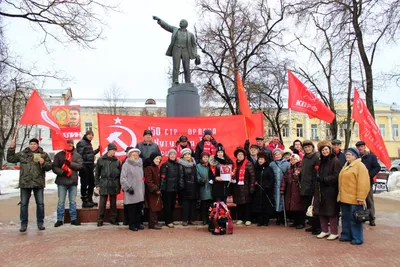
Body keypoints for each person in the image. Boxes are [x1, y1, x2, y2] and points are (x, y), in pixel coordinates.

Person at [7, 138, 52, 232]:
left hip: (38, 183)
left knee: (40, 204)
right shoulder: (23, 154)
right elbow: (10, 159)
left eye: (35, 144)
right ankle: (23, 224)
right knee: (23, 204)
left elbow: (49, 167)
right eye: (31, 144)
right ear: (29, 145)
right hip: (25, 183)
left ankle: (40, 223)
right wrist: (11, 147)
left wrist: (43, 163)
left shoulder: (43, 154)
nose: (33, 146)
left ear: (37, 145)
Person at [152, 16, 200, 84]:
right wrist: (160, 20)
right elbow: (167, 26)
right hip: (176, 49)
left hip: (186, 51)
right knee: (176, 66)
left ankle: (188, 82)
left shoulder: (190, 35)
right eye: (180, 21)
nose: (180, 22)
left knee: (186, 68)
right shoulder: (175, 29)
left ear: (186, 24)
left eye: (182, 21)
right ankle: (175, 80)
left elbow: (194, 45)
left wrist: (195, 54)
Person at [338, 147, 370, 245]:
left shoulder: (360, 166)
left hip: (355, 198)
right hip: (345, 197)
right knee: (345, 217)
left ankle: (357, 238)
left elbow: (364, 183)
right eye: (346, 154)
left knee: (355, 219)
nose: (347, 155)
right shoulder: (346, 165)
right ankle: (346, 235)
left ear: (355, 156)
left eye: (349, 154)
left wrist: (361, 197)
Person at [313, 141, 342, 240]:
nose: (325, 151)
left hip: (331, 190)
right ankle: (324, 230)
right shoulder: (320, 161)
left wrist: (324, 179)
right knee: (321, 211)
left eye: (326, 149)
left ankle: (334, 231)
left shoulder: (335, 161)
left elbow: (336, 175)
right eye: (322, 150)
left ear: (330, 150)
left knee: (331, 211)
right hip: (321, 189)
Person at [52, 140, 83, 227]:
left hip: (72, 181)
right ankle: (59, 219)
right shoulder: (59, 155)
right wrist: (62, 172)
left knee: (72, 202)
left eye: (71, 143)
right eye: (68, 143)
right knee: (61, 202)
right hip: (62, 181)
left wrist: (70, 164)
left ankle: (73, 219)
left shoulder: (77, 155)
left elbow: (80, 166)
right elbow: (54, 167)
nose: (70, 145)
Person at [95, 143, 121, 227]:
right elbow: (96, 174)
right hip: (104, 183)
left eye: (115, 151)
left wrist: (119, 185)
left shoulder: (117, 161)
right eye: (113, 150)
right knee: (102, 203)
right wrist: (97, 184)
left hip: (114, 184)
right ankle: (100, 220)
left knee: (113, 203)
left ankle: (113, 219)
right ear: (109, 150)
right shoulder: (100, 159)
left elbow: (120, 174)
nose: (114, 152)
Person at [356, 141, 380, 226]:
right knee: (358, 200)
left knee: (369, 200)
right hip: (357, 182)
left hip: (367, 182)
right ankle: (360, 216)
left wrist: (369, 175)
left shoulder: (371, 157)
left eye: (361, 146)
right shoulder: (356, 157)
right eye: (358, 147)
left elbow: (377, 167)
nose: (360, 148)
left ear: (364, 147)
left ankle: (372, 218)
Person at [120, 148, 145, 231]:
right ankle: (132, 224)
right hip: (131, 190)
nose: (135, 157)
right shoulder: (126, 165)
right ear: (129, 156)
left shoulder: (140, 164)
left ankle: (138, 222)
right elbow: (123, 178)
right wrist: (128, 187)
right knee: (132, 209)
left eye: (137, 155)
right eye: (133, 155)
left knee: (139, 208)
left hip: (140, 190)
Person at [300, 140, 321, 235]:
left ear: (312, 147)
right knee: (308, 207)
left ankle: (317, 227)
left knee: (314, 207)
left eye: (309, 147)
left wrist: (314, 186)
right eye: (305, 147)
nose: (307, 149)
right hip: (305, 185)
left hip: (313, 186)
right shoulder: (305, 157)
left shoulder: (316, 157)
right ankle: (312, 225)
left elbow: (316, 172)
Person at [232, 147, 255, 226]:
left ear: (244, 156)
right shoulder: (235, 164)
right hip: (237, 188)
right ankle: (240, 218)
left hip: (246, 187)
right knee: (239, 204)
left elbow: (252, 176)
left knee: (247, 204)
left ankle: (248, 219)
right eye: (238, 154)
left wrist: (251, 187)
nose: (240, 156)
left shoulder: (248, 163)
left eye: (241, 154)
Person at [76, 130, 100, 208]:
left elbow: (90, 154)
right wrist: (81, 166)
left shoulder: (88, 144)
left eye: (92, 135)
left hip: (90, 166)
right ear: (86, 135)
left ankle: (90, 199)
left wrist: (98, 150)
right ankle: (85, 201)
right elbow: (79, 155)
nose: (91, 136)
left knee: (92, 183)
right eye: (89, 135)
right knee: (84, 184)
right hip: (84, 166)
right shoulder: (81, 143)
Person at [281, 154, 305, 229]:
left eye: (294, 159)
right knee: (293, 207)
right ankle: (295, 221)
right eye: (291, 160)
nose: (293, 161)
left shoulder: (300, 168)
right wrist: (282, 188)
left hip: (298, 190)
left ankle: (301, 222)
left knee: (299, 207)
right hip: (290, 190)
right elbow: (285, 179)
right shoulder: (290, 169)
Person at [160, 149, 183, 228]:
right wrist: (162, 189)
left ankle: (171, 220)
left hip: (174, 189)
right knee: (167, 206)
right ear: (168, 156)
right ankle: (168, 221)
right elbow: (163, 178)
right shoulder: (165, 165)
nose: (172, 156)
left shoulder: (178, 165)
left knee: (172, 205)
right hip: (167, 190)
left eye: (174, 154)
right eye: (171, 154)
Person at [252, 151, 275, 226]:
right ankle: (260, 220)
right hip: (258, 190)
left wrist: (267, 186)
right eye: (259, 159)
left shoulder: (269, 169)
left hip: (266, 190)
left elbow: (271, 179)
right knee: (258, 205)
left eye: (262, 159)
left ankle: (266, 220)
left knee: (266, 206)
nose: (260, 160)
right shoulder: (256, 168)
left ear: (265, 160)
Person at [269, 148, 290, 225]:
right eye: (275, 154)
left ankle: (283, 218)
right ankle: (278, 218)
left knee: (283, 202)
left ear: (282, 155)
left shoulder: (287, 164)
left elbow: (288, 174)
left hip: (283, 186)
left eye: (279, 154)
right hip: (275, 186)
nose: (277, 156)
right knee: (276, 202)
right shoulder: (272, 164)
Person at [178, 148, 198, 226]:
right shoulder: (181, 165)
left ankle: (192, 219)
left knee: (193, 204)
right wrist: (182, 187)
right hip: (186, 187)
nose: (187, 156)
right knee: (186, 205)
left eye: (188, 154)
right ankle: (185, 220)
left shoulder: (194, 164)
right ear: (183, 156)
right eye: (185, 155)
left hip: (194, 187)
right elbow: (181, 177)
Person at [144, 151, 163, 229]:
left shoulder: (156, 167)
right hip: (152, 192)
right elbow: (148, 181)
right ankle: (152, 224)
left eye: (159, 159)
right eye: (157, 158)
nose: (158, 160)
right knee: (153, 207)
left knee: (156, 206)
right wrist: (155, 189)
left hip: (156, 190)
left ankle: (155, 222)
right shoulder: (149, 168)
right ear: (152, 159)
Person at [197, 152, 214, 225]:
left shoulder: (211, 165)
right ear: (201, 158)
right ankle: (204, 219)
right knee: (204, 205)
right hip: (203, 187)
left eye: (207, 157)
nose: (205, 158)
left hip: (211, 187)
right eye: (204, 157)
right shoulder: (198, 166)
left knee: (211, 205)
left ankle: (210, 218)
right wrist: (200, 180)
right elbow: (197, 175)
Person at [122, 146, 133, 225]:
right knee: (127, 203)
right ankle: (126, 219)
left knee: (134, 204)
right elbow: (122, 175)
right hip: (126, 185)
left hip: (134, 185)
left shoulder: (137, 161)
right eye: (126, 152)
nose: (126, 153)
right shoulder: (124, 161)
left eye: (128, 152)